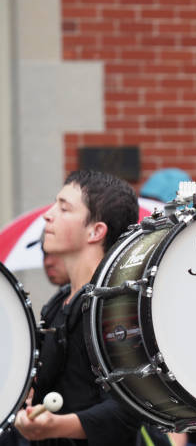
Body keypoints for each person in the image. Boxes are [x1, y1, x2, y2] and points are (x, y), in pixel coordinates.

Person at [14, 170, 142, 446]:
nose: (48, 215)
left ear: (96, 231)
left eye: (63, 208)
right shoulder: (58, 304)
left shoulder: (114, 307)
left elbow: (129, 409)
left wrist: (59, 426)